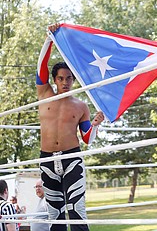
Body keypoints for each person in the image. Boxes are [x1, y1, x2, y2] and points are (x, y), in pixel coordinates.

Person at [36, 23, 105, 231]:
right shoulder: (44, 94)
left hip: (71, 158)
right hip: (47, 158)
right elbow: (41, 66)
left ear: (73, 80)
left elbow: (87, 139)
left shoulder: (81, 106)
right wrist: (49, 38)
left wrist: (95, 125)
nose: (65, 82)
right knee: (54, 213)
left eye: (68, 78)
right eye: (60, 78)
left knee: (76, 210)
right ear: (54, 80)